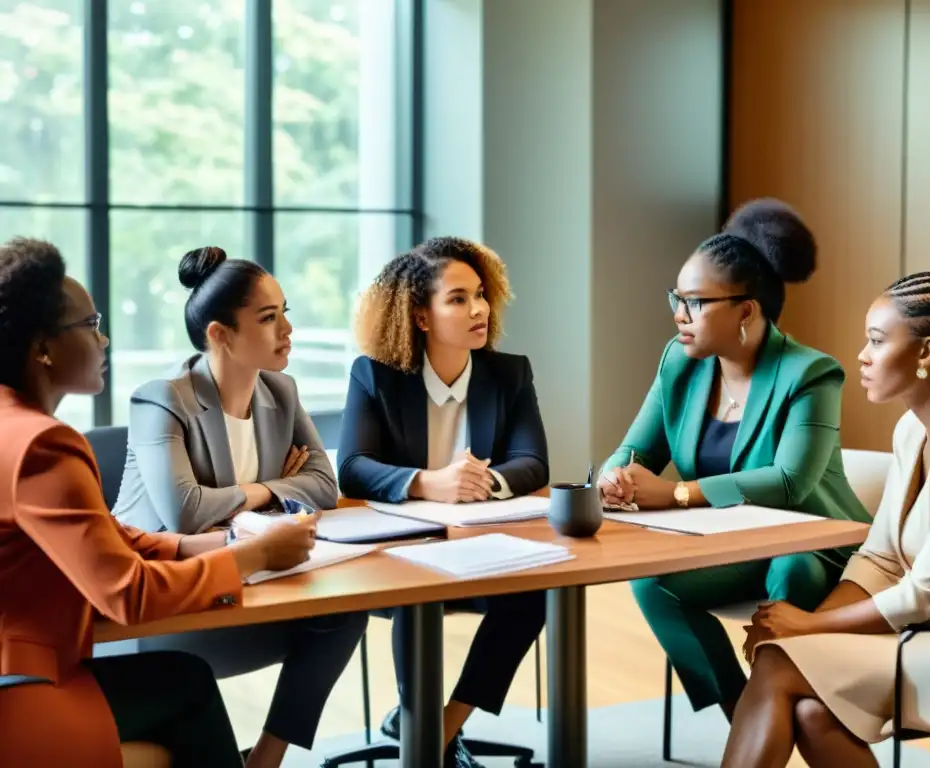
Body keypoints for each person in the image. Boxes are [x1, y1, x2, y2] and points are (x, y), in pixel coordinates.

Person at [0, 237, 320, 767]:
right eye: (90, 324)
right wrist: (254, 556)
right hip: (25, 685)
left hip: (27, 664)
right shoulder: (42, 445)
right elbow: (126, 593)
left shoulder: (15, 426)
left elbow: (109, 536)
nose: (103, 340)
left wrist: (224, 539)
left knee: (182, 680)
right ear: (42, 348)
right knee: (186, 687)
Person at [721, 272, 930, 768]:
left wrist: (807, 627)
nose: (861, 354)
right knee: (814, 712)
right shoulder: (912, 429)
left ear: (927, 352)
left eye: (878, 341)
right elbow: (880, 559)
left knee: (778, 659)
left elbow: (923, 595)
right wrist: (808, 627)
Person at [599, 199, 872, 723]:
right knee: (651, 582)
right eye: (675, 298)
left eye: (696, 302)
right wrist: (616, 476)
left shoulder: (810, 374)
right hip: (729, 547)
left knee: (792, 570)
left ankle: (784, 710)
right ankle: (743, 716)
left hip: (812, 544)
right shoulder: (680, 363)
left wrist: (677, 493)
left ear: (746, 310)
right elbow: (637, 449)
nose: (679, 314)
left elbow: (791, 482)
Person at [112, 246, 368, 768]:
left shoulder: (282, 390)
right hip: (167, 599)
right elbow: (185, 512)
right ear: (220, 334)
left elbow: (323, 483)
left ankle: (266, 759)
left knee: (345, 611)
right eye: (269, 318)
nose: (288, 330)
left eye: (285, 312)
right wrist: (273, 486)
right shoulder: (162, 399)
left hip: (254, 580)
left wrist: (257, 494)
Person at [337, 236, 549, 768]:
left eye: (480, 294)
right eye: (457, 299)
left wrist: (484, 483)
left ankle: (439, 728)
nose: (478, 309)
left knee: (534, 594)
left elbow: (533, 462)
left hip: (482, 552)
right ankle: (419, 722)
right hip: (397, 561)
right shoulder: (376, 376)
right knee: (418, 592)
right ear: (422, 316)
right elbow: (353, 467)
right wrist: (429, 483)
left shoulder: (509, 374)